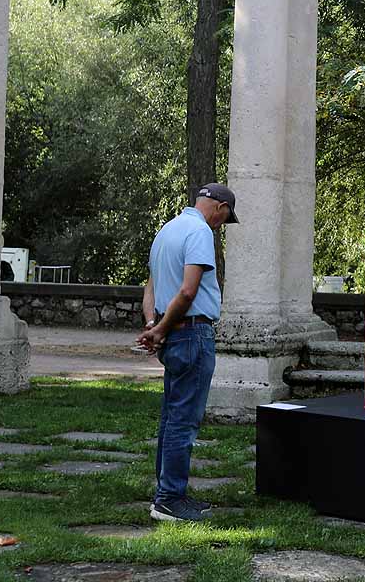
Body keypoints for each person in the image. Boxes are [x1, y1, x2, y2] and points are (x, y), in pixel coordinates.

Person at [137, 183, 238, 522]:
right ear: (220, 208)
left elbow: (150, 288)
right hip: (192, 334)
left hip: (172, 334)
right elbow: (188, 289)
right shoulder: (199, 232)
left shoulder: (166, 231)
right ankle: (168, 500)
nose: (221, 225)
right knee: (183, 421)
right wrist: (162, 329)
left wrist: (154, 324)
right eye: (225, 219)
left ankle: (168, 492)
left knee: (171, 417)